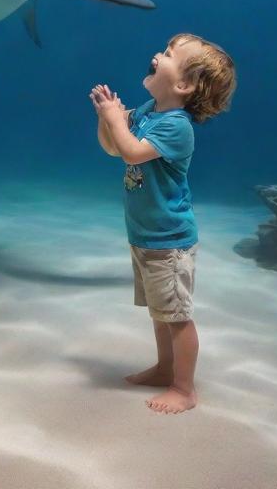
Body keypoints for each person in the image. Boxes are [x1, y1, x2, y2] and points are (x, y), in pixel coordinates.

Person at [90, 32, 235, 415]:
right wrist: (110, 120)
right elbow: (114, 147)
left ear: (183, 84)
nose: (157, 54)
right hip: (145, 237)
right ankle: (164, 368)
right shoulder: (148, 112)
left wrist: (114, 121)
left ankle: (184, 389)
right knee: (161, 313)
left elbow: (132, 152)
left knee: (177, 318)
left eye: (169, 54)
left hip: (169, 240)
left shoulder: (177, 126)